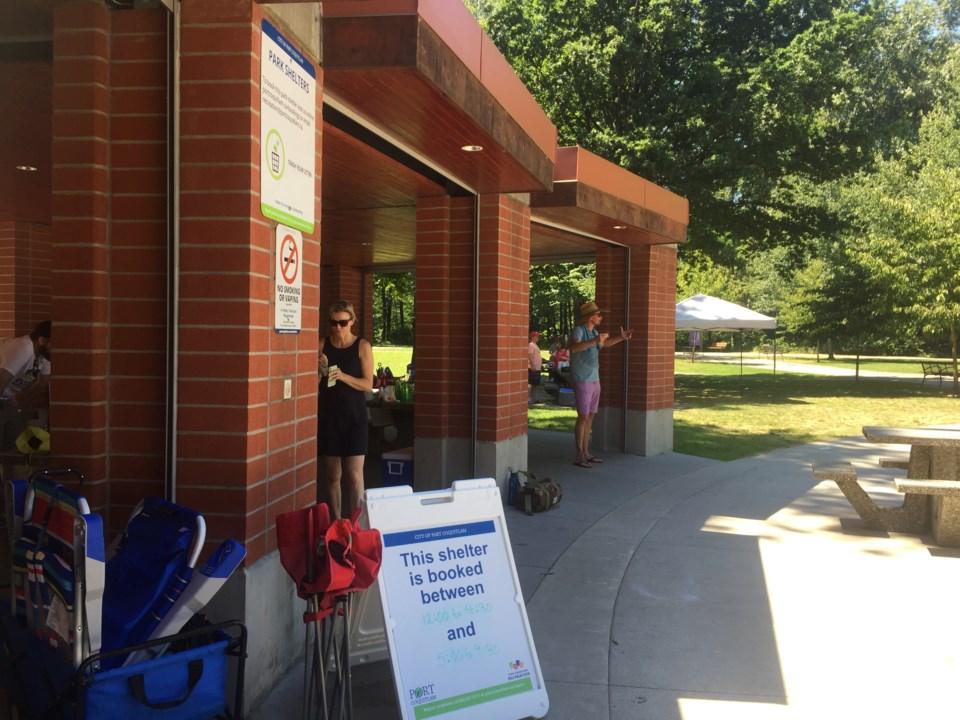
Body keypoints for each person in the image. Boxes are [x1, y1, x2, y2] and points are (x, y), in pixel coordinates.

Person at [318, 301, 374, 519]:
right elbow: (311, 387)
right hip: (330, 415)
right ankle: (337, 521)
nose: (338, 328)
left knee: (354, 475)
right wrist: (320, 372)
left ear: (352, 321)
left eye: (343, 322)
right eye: (333, 323)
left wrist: (342, 376)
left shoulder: (362, 346)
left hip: (354, 415)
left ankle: (356, 523)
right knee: (332, 476)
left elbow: (368, 384)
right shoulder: (322, 345)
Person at [568, 301, 632, 468]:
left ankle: (586, 452)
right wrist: (595, 339)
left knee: (590, 416)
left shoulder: (595, 332)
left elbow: (604, 344)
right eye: (598, 315)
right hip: (582, 378)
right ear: (590, 317)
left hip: (594, 378)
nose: (601, 317)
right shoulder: (579, 330)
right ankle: (578, 454)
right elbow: (574, 348)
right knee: (583, 416)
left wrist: (621, 338)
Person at [0, 321, 52, 451]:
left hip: (6, 399)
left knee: (12, 447)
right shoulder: (25, 348)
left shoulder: (45, 356)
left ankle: (9, 471)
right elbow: (2, 379)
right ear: (42, 340)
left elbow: (43, 382)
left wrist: (22, 398)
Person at [527, 330, 543, 404]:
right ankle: (528, 398)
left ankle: (534, 398)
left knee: (535, 384)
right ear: (533, 337)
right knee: (530, 383)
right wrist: (532, 365)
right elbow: (529, 355)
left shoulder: (535, 345)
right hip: (532, 367)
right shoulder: (531, 345)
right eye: (536, 336)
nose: (538, 337)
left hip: (537, 368)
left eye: (538, 336)